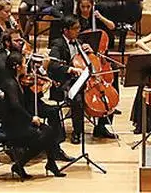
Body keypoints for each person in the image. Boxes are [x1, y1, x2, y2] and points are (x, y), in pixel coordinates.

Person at [0, 50, 69, 179]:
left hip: (20, 121)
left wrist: (42, 87)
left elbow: (29, 98)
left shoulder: (17, 80)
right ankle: (20, 164)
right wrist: (31, 118)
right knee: (43, 137)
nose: (26, 66)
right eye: (24, 64)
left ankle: (51, 164)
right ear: (16, 67)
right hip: (12, 125)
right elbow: (15, 106)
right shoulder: (10, 83)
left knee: (49, 131)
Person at [47, 16, 116, 144]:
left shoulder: (79, 42)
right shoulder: (58, 44)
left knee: (108, 94)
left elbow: (90, 63)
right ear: (65, 30)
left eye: (79, 28)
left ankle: (101, 127)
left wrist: (91, 53)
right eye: (75, 28)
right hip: (67, 81)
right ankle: (77, 131)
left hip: (86, 79)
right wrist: (70, 69)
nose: (78, 31)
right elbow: (52, 65)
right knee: (77, 99)